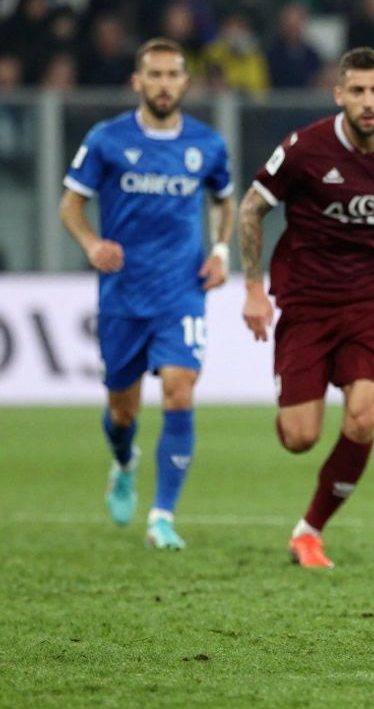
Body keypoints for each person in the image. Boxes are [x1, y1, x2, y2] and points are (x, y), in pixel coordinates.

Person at [238, 47, 374, 569]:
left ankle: (309, 531)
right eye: (357, 91)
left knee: (360, 421)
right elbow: (252, 207)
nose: (368, 101)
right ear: (339, 95)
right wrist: (252, 288)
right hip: (306, 303)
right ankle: (295, 406)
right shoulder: (304, 149)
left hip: (373, 306)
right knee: (299, 438)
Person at [58, 37, 235, 550]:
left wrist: (222, 252)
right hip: (123, 295)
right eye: (153, 75)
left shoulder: (207, 144)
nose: (163, 84)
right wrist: (91, 243)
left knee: (180, 388)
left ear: (185, 82)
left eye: (172, 75)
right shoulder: (107, 139)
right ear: (137, 82)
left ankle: (162, 516)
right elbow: (70, 205)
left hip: (182, 291)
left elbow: (226, 202)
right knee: (123, 411)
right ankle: (123, 461)